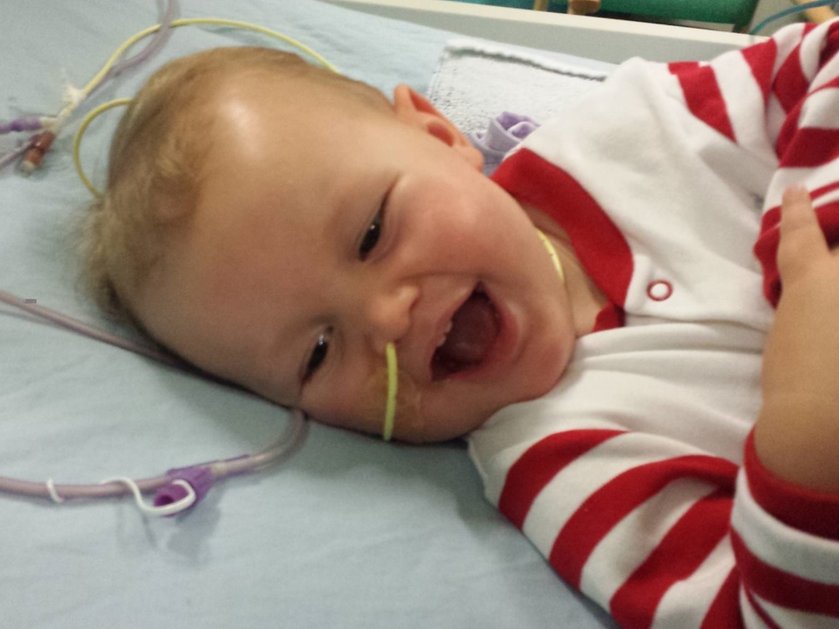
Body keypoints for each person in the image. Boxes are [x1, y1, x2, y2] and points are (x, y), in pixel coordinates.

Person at [83, 21, 839, 627]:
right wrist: (806, 435)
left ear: (442, 137)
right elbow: (748, 607)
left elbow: (817, 59)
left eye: (373, 233)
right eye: (317, 352)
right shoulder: (564, 468)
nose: (384, 315)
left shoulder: (636, 130)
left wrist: (812, 251)